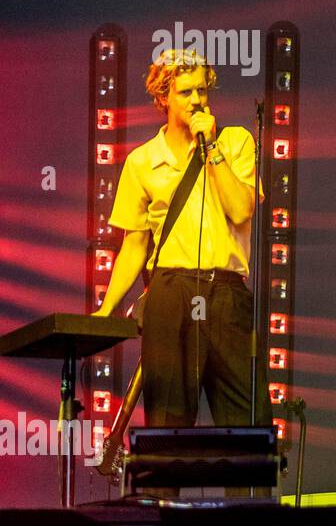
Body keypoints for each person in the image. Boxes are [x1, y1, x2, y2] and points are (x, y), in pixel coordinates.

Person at [92, 49, 268, 462]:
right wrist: (107, 308)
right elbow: (134, 244)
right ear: (163, 97)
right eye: (185, 91)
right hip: (170, 290)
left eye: (202, 90)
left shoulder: (235, 141)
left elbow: (241, 210)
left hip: (225, 291)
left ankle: (250, 516)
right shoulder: (142, 161)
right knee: (168, 417)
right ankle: (165, 515)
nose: (196, 100)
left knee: (245, 418)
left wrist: (213, 152)